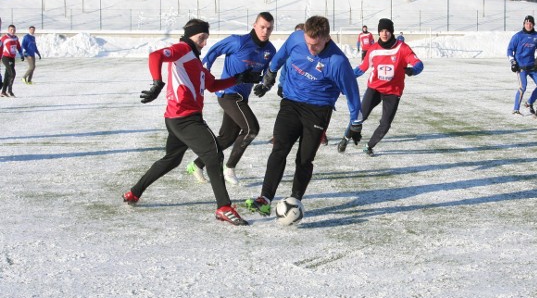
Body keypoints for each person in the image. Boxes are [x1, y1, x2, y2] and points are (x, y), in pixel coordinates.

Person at [122, 18, 262, 226]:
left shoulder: (195, 62)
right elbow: (155, 56)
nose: (204, 43)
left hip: (177, 118)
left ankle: (134, 193)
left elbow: (213, 85)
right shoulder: (182, 49)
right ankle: (224, 207)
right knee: (214, 154)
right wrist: (157, 83)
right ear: (190, 35)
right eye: (201, 38)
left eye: (206, 38)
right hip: (185, 118)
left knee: (172, 159)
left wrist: (239, 78)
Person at [246, 15, 363, 217]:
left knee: (304, 159)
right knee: (279, 148)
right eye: (308, 43)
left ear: (327, 38)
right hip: (291, 103)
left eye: (315, 45)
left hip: (318, 111)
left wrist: (356, 124)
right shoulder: (296, 38)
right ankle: (264, 198)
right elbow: (280, 57)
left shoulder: (338, 62)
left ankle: (295, 200)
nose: (311, 49)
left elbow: (352, 93)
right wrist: (269, 78)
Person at [186, 12, 277, 185]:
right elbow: (214, 51)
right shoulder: (238, 41)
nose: (265, 31)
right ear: (254, 25)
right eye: (262, 26)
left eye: (269, 28)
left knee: (227, 137)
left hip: (243, 97)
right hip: (228, 93)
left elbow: (269, 73)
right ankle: (230, 168)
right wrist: (204, 72)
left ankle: (197, 164)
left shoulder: (270, 50)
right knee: (251, 129)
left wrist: (265, 85)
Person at [338, 18, 423, 156]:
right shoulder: (373, 50)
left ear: (392, 32)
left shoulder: (402, 48)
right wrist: (346, 77)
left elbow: (418, 63)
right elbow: (361, 68)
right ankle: (345, 138)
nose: (384, 33)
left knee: (385, 123)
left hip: (393, 92)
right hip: (374, 89)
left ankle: (369, 146)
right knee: (359, 116)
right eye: (382, 30)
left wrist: (413, 70)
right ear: (378, 32)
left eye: (387, 30)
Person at [506, 15, 537, 115]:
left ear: (533, 24)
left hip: (533, 66)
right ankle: (516, 110)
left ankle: (529, 103)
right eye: (527, 23)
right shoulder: (518, 36)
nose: (529, 25)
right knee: (522, 87)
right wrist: (512, 62)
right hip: (521, 67)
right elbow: (510, 50)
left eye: (531, 23)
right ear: (524, 24)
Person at [1, 24, 24, 97]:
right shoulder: (4, 38)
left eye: (14, 30)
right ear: (8, 30)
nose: (13, 31)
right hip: (5, 57)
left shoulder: (15, 38)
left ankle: (3, 92)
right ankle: (10, 91)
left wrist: (21, 54)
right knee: (12, 73)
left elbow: (19, 47)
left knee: (7, 75)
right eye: (11, 30)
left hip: (12, 58)